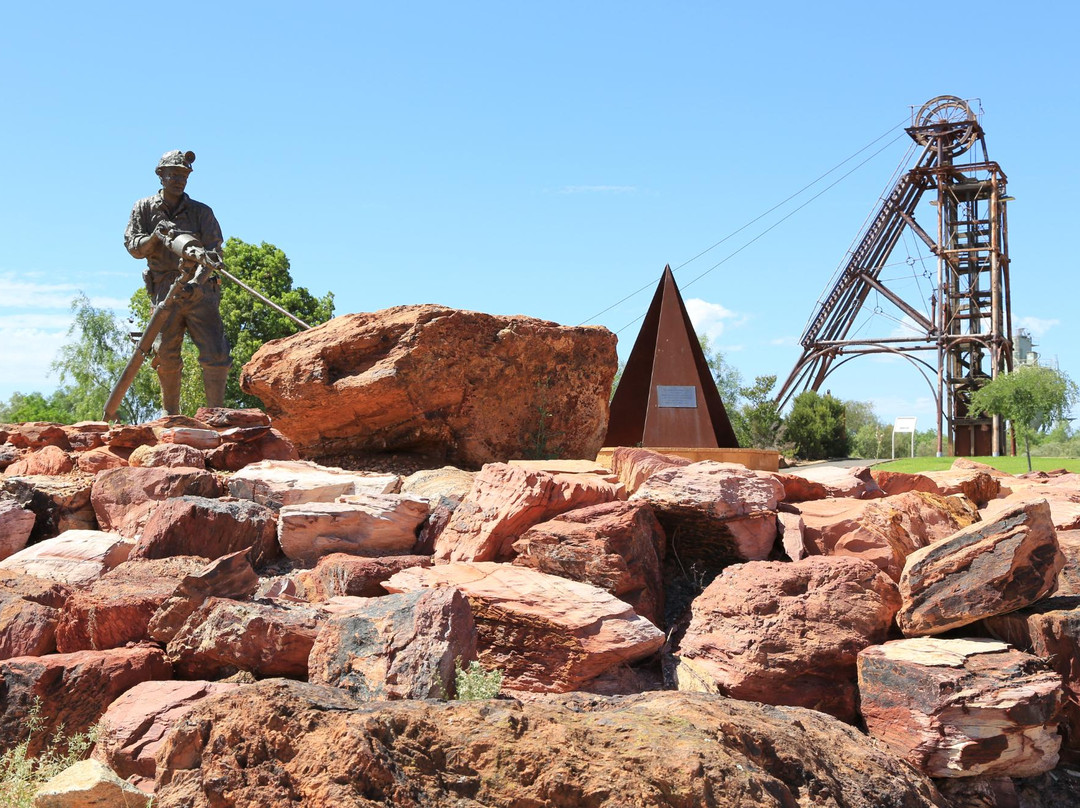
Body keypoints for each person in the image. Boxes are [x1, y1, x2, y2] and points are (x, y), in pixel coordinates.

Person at [124, 150, 231, 413]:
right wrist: (155, 237)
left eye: (184, 176)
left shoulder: (201, 212)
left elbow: (215, 253)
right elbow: (134, 248)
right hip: (164, 289)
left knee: (217, 354)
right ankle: (171, 417)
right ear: (161, 175)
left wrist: (196, 283)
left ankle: (216, 414)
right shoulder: (144, 207)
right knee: (165, 355)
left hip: (200, 291)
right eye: (174, 174)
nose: (179, 180)